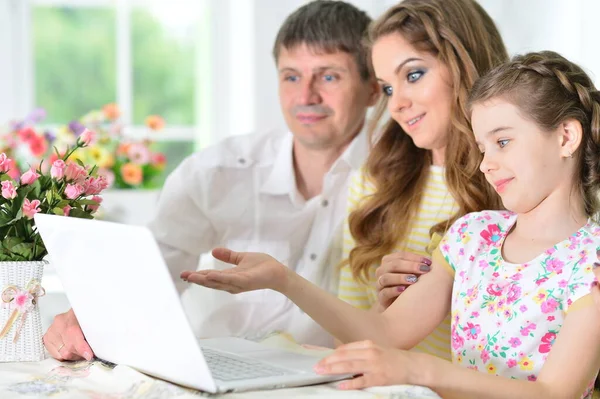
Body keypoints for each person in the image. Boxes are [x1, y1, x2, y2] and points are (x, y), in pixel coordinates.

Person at [184, 51, 600, 398]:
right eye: (481, 146)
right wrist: (283, 279)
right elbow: (385, 331)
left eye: (503, 141)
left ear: (566, 137)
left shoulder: (592, 261)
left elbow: (553, 393)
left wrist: (419, 369)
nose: (485, 163)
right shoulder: (475, 235)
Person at [42, 0, 381, 361]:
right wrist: (86, 316)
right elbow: (149, 277)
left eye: (329, 76)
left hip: (332, 382)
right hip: (213, 372)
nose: (306, 96)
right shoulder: (215, 172)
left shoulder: (401, 184)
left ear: (374, 88)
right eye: (291, 76)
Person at [335, 0, 507, 361]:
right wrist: (387, 313)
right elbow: (348, 347)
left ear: (465, 66)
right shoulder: (373, 184)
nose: (396, 104)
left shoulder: (520, 181)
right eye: (387, 88)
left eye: (413, 75)